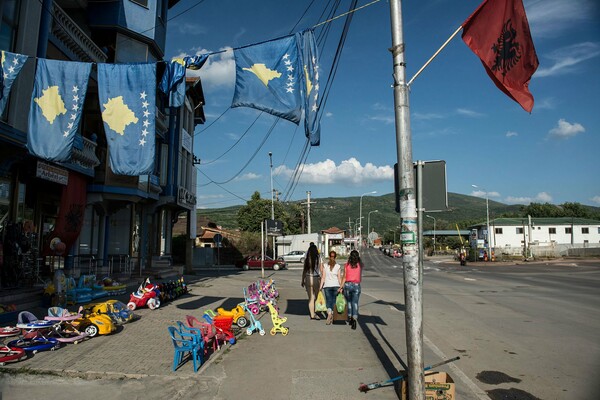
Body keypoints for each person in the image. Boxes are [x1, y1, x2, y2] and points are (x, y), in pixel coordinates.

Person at [339, 249, 362, 330]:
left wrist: (341, 287)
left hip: (348, 285)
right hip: (356, 285)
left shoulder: (347, 265)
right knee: (355, 303)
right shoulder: (360, 264)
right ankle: (354, 318)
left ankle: (349, 316)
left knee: (348, 301)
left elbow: (344, 277)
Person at [319, 250, 342, 325]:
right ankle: (332, 314)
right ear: (335, 257)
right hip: (336, 286)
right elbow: (339, 278)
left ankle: (329, 314)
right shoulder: (338, 266)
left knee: (328, 301)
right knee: (334, 301)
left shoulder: (325, 266)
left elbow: (323, 277)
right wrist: (341, 287)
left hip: (327, 286)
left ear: (329, 257)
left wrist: (320, 287)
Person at [301, 242, 323, 320]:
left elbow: (304, 270)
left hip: (307, 278)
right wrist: (323, 280)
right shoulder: (318, 258)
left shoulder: (307, 259)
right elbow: (321, 270)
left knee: (311, 298)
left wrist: (302, 280)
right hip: (316, 278)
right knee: (317, 297)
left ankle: (312, 315)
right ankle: (317, 311)